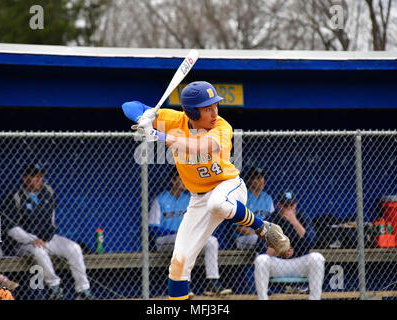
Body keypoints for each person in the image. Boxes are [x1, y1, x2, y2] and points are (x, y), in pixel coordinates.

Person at [122, 81, 289, 300]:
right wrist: (143, 118)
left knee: (217, 203)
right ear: (191, 112)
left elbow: (196, 147)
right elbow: (129, 104)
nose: (214, 112)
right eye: (207, 108)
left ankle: (264, 228)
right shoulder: (175, 120)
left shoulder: (222, 127)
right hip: (197, 199)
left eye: (214, 106)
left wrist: (159, 136)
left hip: (228, 187)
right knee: (178, 265)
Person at [2, 164, 93, 300]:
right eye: (35, 177)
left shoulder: (48, 192)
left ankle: (83, 291)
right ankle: (54, 288)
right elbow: (11, 228)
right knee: (39, 252)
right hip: (26, 243)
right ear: (25, 178)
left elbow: (52, 220)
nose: (39, 180)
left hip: (48, 239)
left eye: (40, 177)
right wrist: (31, 239)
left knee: (74, 248)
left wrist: (47, 237)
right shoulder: (16, 197)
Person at [149, 167, 232, 297]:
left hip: (187, 239)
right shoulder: (160, 200)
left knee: (211, 241)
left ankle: (212, 282)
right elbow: (152, 228)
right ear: (172, 181)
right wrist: (173, 232)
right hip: (165, 240)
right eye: (181, 178)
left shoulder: (190, 199)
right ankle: (182, 286)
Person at [254, 191, 325, 300]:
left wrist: (294, 221)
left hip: (298, 263)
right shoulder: (271, 220)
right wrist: (279, 249)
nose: (288, 209)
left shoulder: (302, 217)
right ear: (278, 205)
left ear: (295, 205)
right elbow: (261, 250)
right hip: (278, 264)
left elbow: (311, 242)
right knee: (261, 260)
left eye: (291, 205)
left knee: (317, 258)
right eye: (285, 206)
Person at [235, 167, 275, 250]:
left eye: (262, 178)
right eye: (257, 178)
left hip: (264, 236)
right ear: (249, 181)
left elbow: (273, 222)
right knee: (261, 241)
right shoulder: (243, 198)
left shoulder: (268, 198)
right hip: (245, 237)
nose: (261, 181)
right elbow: (239, 228)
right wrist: (259, 235)